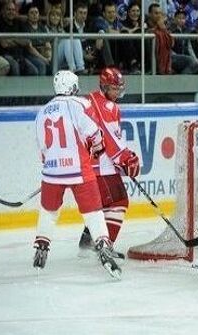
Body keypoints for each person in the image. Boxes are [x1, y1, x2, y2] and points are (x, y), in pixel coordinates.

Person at [33, 70, 121, 279]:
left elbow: (42, 150)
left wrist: (53, 165)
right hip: (79, 169)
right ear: (73, 86)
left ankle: (41, 247)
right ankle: (103, 246)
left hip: (52, 172)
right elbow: (94, 134)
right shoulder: (79, 104)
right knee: (93, 212)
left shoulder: (42, 112)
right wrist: (96, 149)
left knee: (49, 210)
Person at [78, 67, 141, 255]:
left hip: (89, 165)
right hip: (101, 166)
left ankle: (87, 240)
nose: (117, 93)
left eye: (119, 88)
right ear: (104, 87)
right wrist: (125, 158)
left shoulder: (88, 100)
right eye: (114, 89)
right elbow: (110, 137)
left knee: (104, 204)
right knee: (120, 201)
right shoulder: (108, 106)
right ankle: (105, 247)